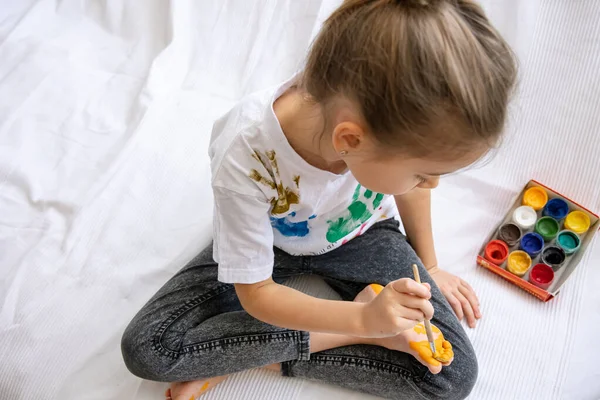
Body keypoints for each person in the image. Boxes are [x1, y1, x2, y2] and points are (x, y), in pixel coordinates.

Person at [121, 0, 517, 399]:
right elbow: (257, 293)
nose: (429, 185)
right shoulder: (246, 155)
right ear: (350, 139)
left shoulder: (375, 119)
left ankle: (249, 354)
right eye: (421, 173)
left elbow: (412, 188)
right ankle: (310, 339)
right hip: (271, 242)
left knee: (451, 375)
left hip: (363, 234)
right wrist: (360, 321)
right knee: (149, 349)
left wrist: (429, 264)